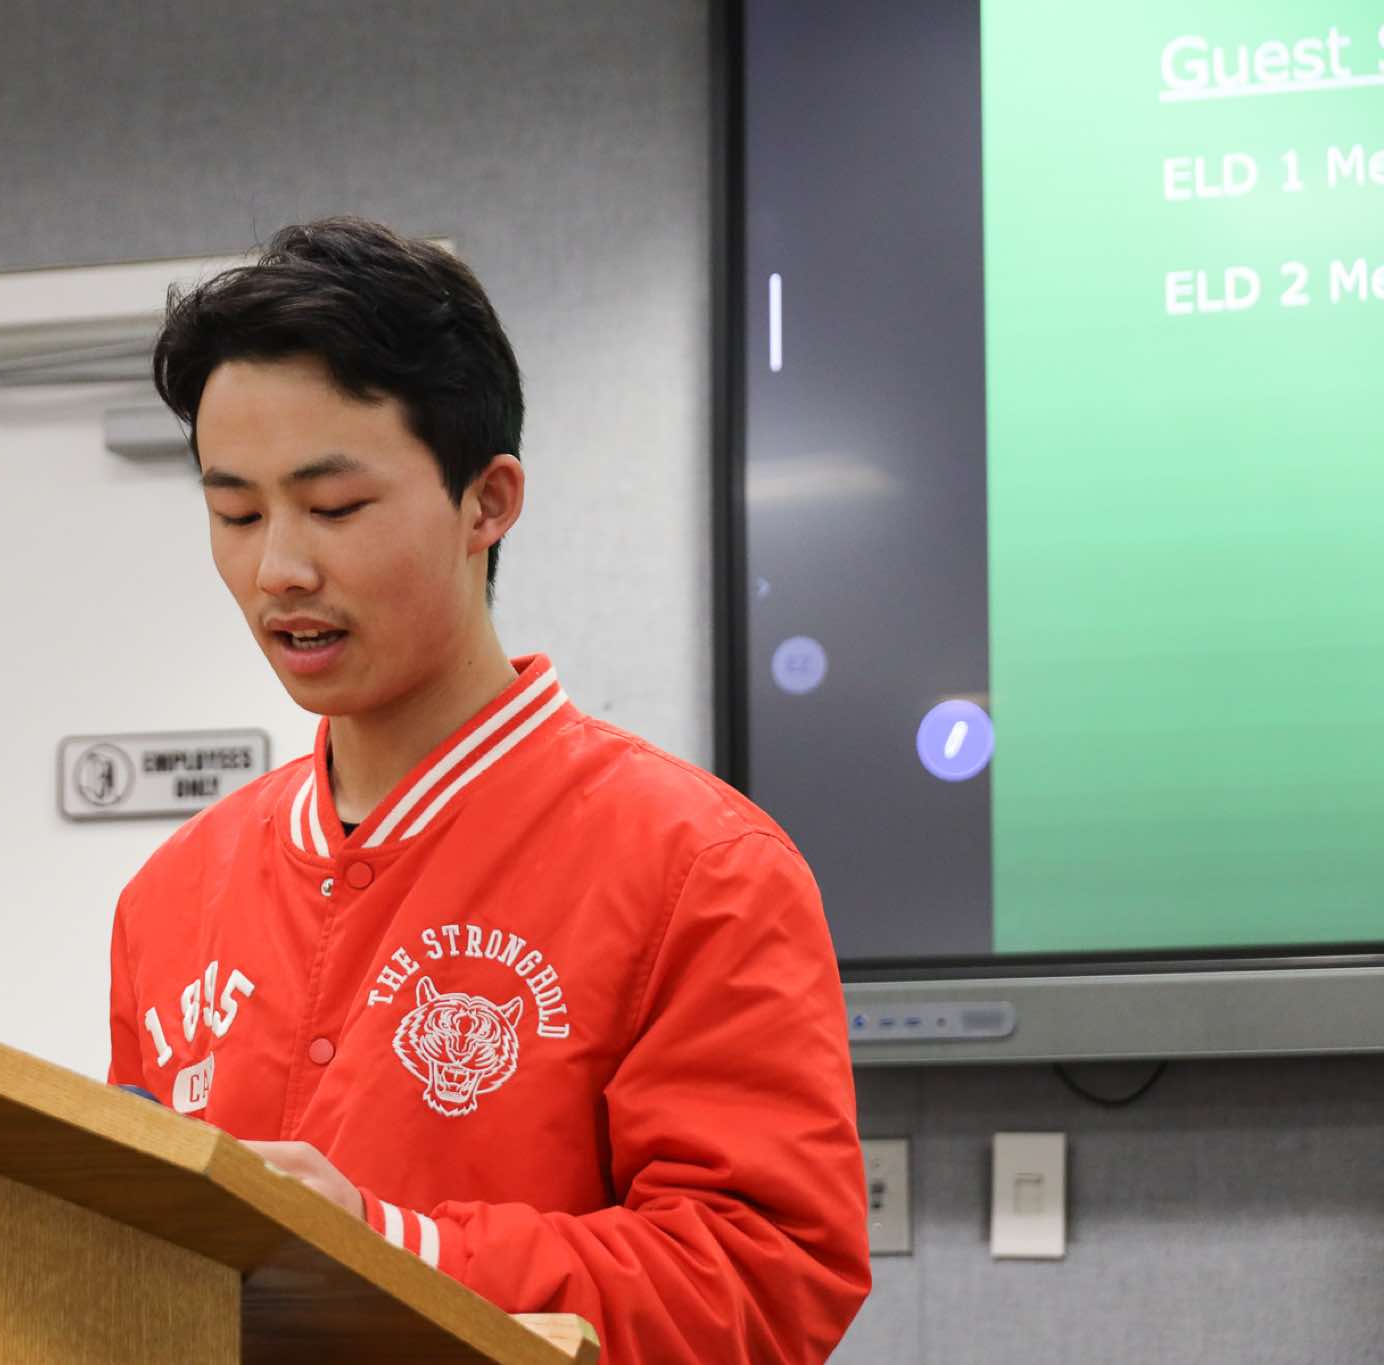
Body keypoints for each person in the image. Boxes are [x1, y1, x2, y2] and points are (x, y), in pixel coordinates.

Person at [108, 217, 869, 1363]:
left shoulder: (696, 866)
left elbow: (765, 1282)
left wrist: (385, 1246)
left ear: (488, 502)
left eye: (334, 508)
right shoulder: (170, 897)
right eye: (236, 514)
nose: (277, 569)